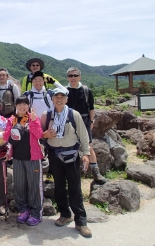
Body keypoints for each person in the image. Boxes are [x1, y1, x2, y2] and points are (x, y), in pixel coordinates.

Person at [41, 88, 92, 238]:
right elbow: (40, 134)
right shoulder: (47, 115)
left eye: (62, 97)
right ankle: (65, 214)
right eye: (56, 96)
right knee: (59, 186)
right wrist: (45, 135)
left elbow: (83, 135)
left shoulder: (73, 114)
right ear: (52, 99)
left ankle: (81, 221)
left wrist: (86, 154)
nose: (59, 99)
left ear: (66, 99)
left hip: (72, 154)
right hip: (54, 154)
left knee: (75, 187)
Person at [4, 96, 44, 226]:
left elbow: (39, 135)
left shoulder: (33, 118)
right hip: (17, 158)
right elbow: (6, 137)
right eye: (20, 104)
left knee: (34, 186)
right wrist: (13, 128)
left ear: (28, 105)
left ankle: (35, 212)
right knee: (19, 185)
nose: (22, 107)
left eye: (25, 104)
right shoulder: (11, 119)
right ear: (16, 105)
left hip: (33, 157)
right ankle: (23, 210)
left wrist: (33, 122)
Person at [66, 67, 107, 184]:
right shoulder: (65, 91)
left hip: (84, 120)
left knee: (89, 146)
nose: (73, 78)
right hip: (69, 121)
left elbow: (91, 108)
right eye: (70, 76)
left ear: (79, 76)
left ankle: (96, 172)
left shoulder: (86, 90)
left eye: (75, 75)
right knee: (69, 146)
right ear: (67, 77)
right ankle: (69, 176)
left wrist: (92, 121)